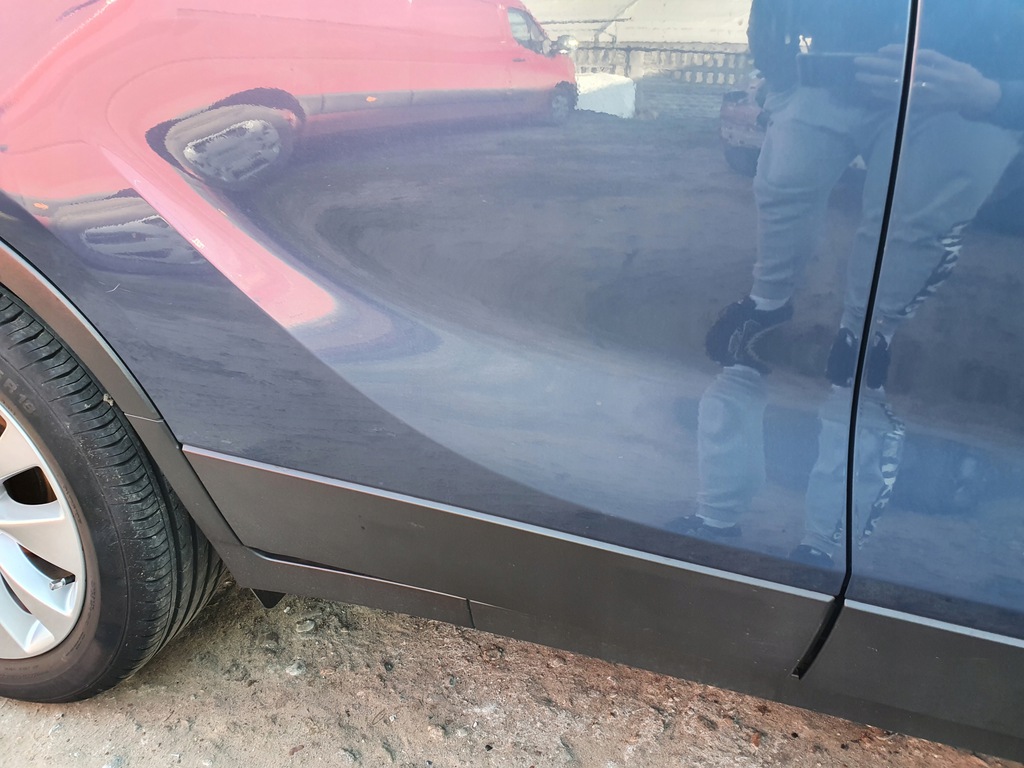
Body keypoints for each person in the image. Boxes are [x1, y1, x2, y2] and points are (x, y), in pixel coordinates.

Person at [673, 0, 1024, 567]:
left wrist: (996, 96)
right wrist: (781, 79)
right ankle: (724, 519)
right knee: (758, 330)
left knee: (861, 359)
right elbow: (771, 11)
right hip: (828, 83)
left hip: (965, 107)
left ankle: (824, 548)